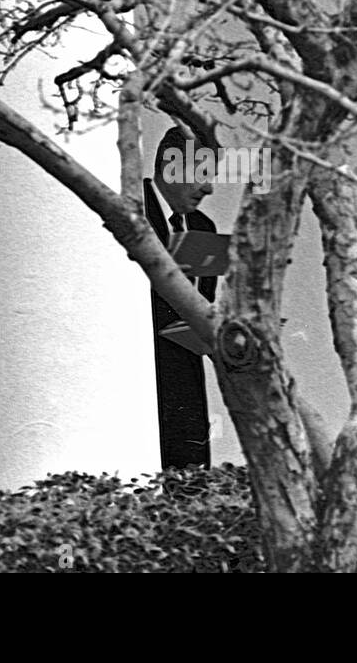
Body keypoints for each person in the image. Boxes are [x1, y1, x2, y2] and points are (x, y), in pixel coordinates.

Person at [144, 127, 218, 469]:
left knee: (191, 479)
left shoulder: (204, 227)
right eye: (202, 174)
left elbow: (207, 302)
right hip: (137, 372)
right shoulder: (130, 210)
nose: (209, 188)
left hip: (186, 380)